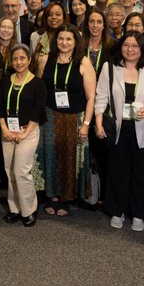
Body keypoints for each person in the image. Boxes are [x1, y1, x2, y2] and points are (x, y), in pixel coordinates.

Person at [94, 31, 144, 231]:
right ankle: (118, 210)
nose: (130, 49)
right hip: (118, 128)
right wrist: (98, 124)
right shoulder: (110, 68)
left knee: (142, 173)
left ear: (142, 49)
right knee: (118, 170)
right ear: (120, 46)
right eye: (126, 45)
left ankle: (139, 214)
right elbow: (101, 98)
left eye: (135, 46)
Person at [36, 24, 96, 215]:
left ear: (75, 42)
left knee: (70, 159)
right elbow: (39, 91)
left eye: (69, 39)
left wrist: (86, 124)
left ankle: (66, 198)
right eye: (61, 38)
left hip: (75, 118)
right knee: (50, 156)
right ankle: (52, 196)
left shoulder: (84, 62)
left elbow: (91, 97)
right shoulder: (45, 59)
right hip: (49, 117)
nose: (64, 42)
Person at [0, 44, 46, 226]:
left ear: (29, 60)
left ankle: (29, 209)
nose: (19, 62)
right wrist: (4, 129)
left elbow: (37, 111)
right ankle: (15, 208)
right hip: (7, 132)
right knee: (9, 171)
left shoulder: (38, 83)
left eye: (22, 58)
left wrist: (24, 133)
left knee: (21, 171)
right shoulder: (6, 80)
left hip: (28, 132)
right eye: (15, 58)